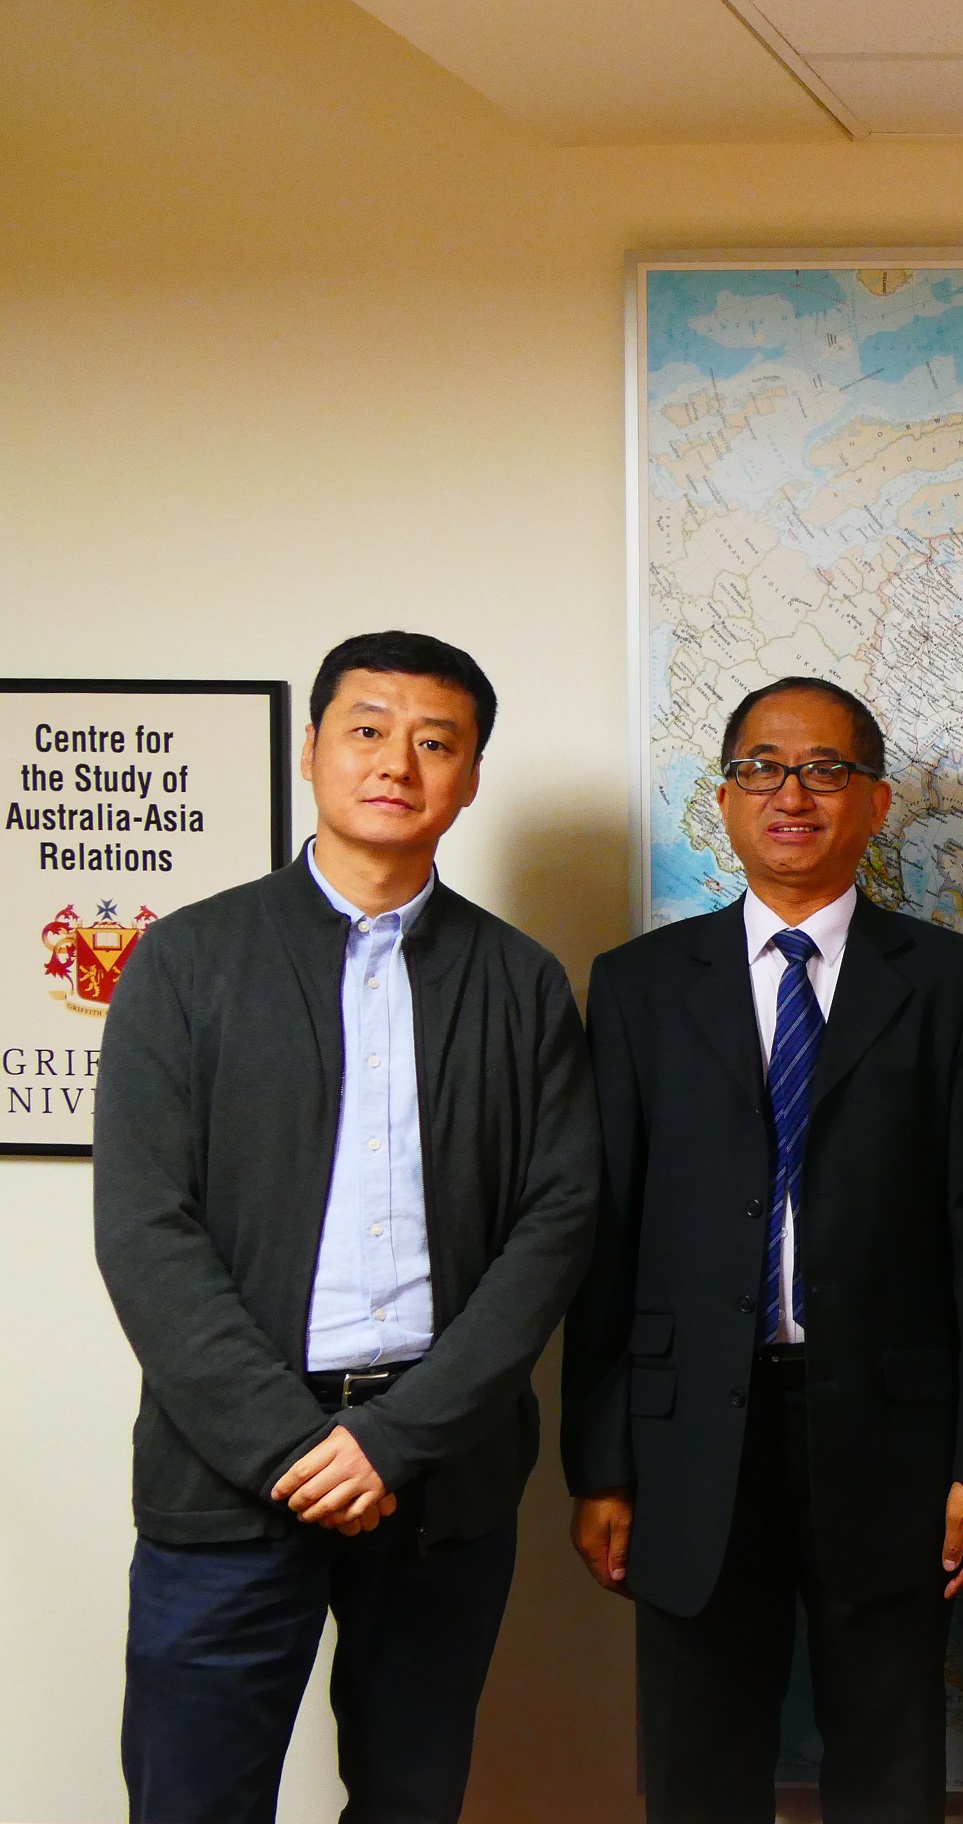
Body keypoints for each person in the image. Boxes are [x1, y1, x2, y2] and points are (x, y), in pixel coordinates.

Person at [94, 631, 599, 1824]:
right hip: (226, 1474)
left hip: (442, 1476)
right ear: (312, 748)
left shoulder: (521, 982)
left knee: (412, 1799)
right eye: (367, 730)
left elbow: (555, 1225)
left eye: (436, 742)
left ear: (471, 778)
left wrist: (396, 1439)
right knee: (192, 1803)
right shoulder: (185, 959)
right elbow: (145, 1228)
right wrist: (286, 1443)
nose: (396, 764)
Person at [562, 677, 963, 1824]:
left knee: (887, 1759)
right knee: (699, 1761)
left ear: (875, 802)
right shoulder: (636, 987)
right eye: (762, 768)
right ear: (724, 799)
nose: (792, 794)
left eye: (826, 770)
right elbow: (604, 1240)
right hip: (687, 1433)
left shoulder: (954, 985)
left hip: (890, 1430)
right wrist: (601, 1464)